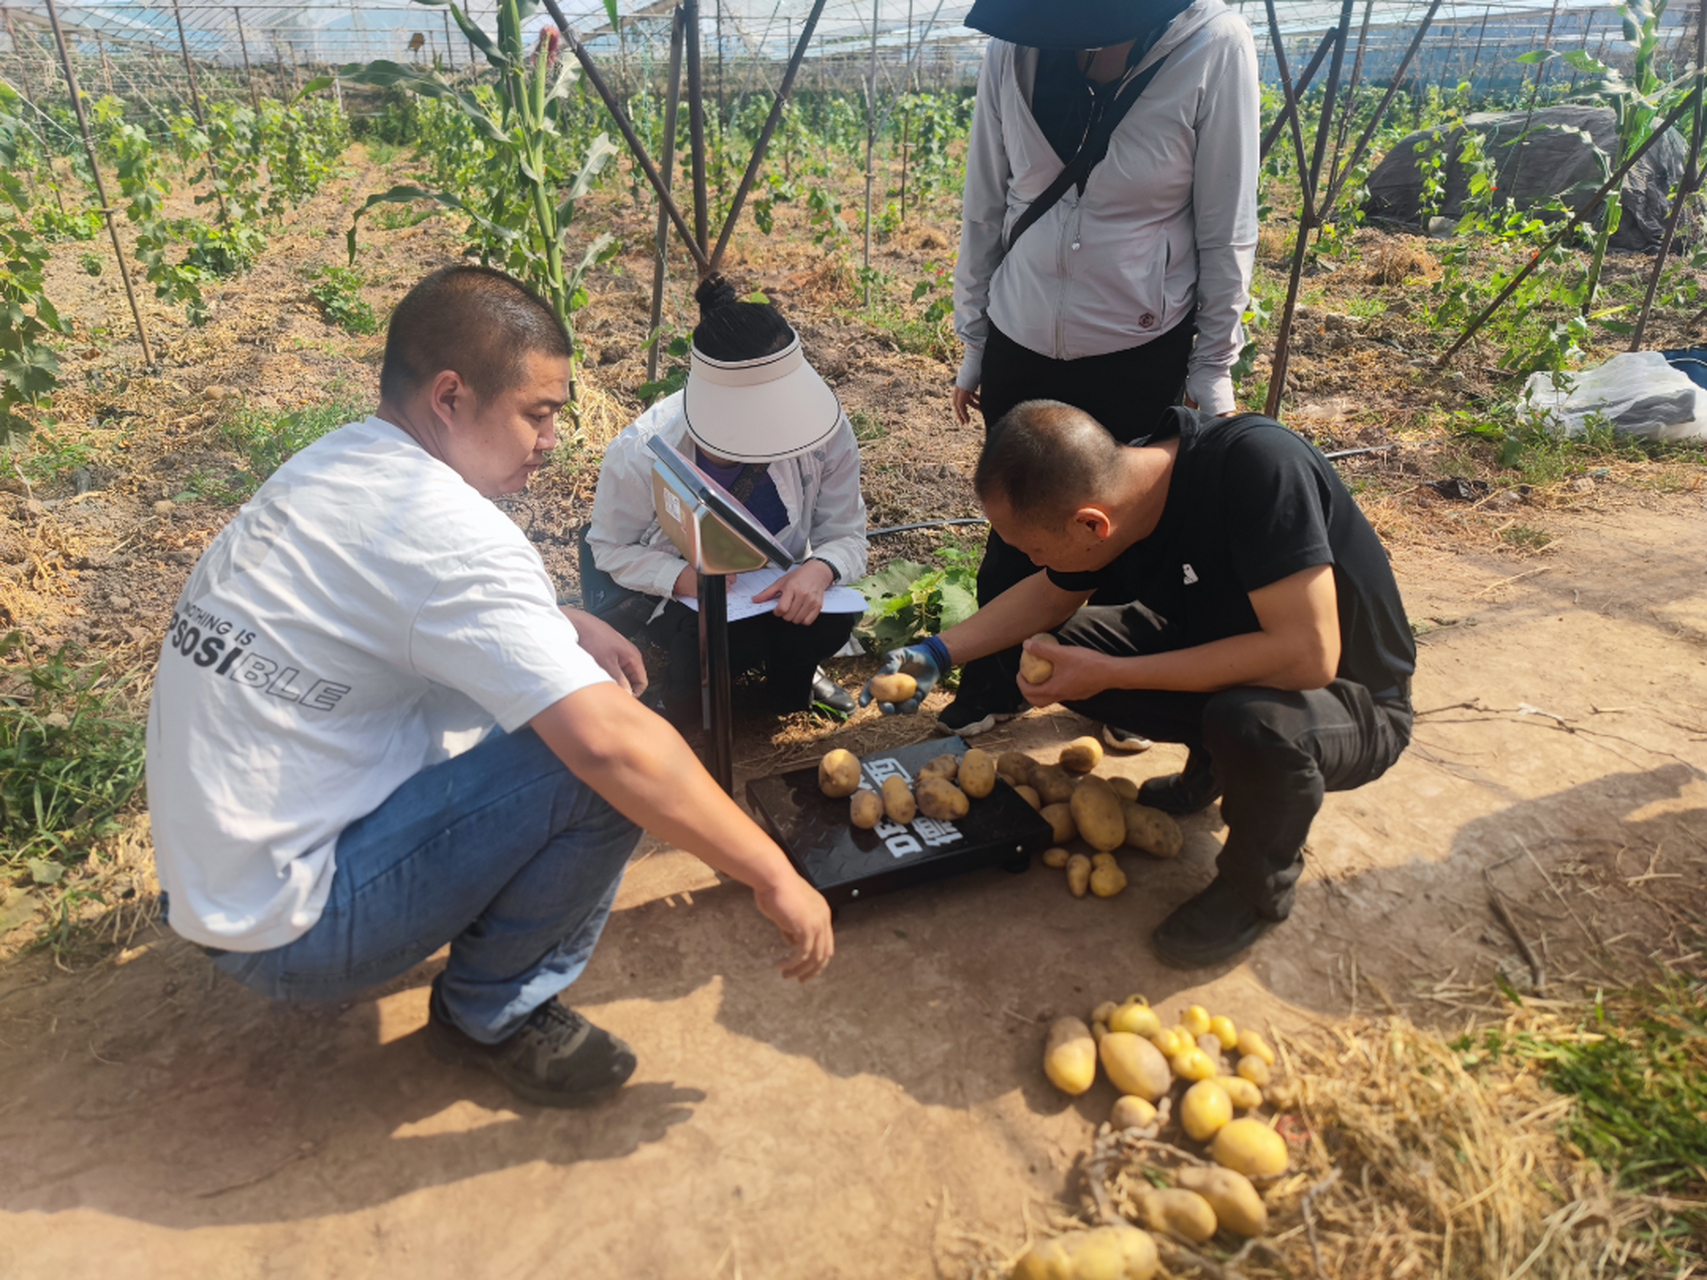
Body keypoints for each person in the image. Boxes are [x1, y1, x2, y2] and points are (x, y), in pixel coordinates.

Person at [146, 265, 834, 1110]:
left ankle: (465, 916)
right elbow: (611, 745)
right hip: (292, 928)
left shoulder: (338, 469)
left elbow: (406, 606)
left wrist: (558, 619)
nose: (551, 439)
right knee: (606, 754)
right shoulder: (446, 535)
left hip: (216, 879)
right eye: (536, 413)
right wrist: (770, 873)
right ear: (449, 397)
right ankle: (491, 1012)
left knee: (562, 700)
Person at [861, 402, 1414, 967]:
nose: (1031, 561)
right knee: (1058, 652)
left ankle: (1256, 887)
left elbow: (1308, 658)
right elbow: (1052, 595)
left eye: (1034, 549)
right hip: (1233, 654)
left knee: (1252, 723)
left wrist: (1115, 674)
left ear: (1091, 524)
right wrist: (936, 651)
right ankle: (1215, 760)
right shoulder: (1131, 481)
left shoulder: (1259, 468)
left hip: (1352, 699)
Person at [942, 0, 1260, 738]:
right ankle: (992, 685)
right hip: (1020, 335)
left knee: (1127, 528)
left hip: (1135, 341)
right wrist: (975, 340)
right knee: (1020, 523)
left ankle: (1118, 692)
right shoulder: (1014, 46)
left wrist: (1213, 366)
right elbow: (983, 205)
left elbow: (1225, 224)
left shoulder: (1213, 44)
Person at [583, 275, 869, 723]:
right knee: (721, 644)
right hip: (689, 597)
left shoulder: (821, 430)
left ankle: (791, 683)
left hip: (775, 584)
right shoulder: (642, 450)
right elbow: (608, 547)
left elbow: (847, 535)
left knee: (827, 620)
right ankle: (684, 695)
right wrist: (683, 578)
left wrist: (820, 569)